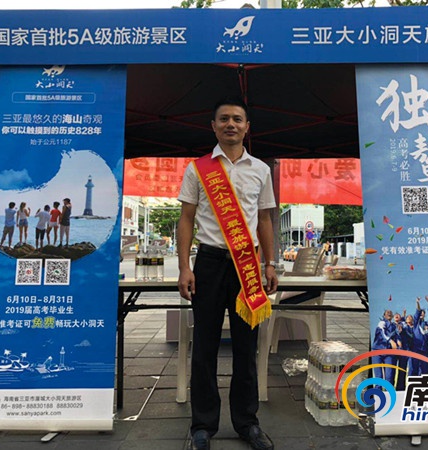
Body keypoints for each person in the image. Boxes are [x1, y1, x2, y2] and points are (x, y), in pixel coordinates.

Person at [176, 95, 278, 450]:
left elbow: (264, 219)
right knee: (204, 346)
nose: (230, 124)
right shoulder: (198, 168)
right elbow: (186, 219)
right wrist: (184, 267)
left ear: (247, 127)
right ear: (213, 126)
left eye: (237, 119)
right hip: (208, 263)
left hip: (246, 267)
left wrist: (269, 263)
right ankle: (203, 426)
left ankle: (247, 423)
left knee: (246, 348)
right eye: (224, 119)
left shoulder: (261, 169)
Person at [371, 309, 398, 384]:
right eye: (387, 312)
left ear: (392, 316)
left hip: (388, 353)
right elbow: (382, 333)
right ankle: (378, 391)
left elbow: (397, 335)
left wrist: (398, 341)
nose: (389, 313)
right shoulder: (382, 323)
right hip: (377, 351)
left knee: (389, 376)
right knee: (379, 376)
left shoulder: (394, 326)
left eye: (390, 312)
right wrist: (390, 340)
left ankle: (388, 390)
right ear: (384, 315)